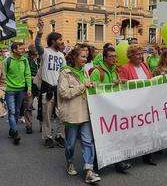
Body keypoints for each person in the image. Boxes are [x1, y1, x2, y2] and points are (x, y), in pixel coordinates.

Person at [57, 47, 101, 184]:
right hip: (71, 115)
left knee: (88, 141)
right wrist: (83, 86)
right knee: (70, 144)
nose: (85, 59)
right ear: (75, 57)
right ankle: (70, 162)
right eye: (82, 57)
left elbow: (87, 87)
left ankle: (89, 170)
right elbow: (63, 93)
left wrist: (92, 85)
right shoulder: (65, 72)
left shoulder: (85, 71)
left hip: (86, 113)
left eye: (86, 57)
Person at [90, 47, 132, 173]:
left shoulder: (115, 70)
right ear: (104, 58)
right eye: (111, 56)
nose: (114, 59)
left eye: (115, 56)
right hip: (100, 110)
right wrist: (107, 87)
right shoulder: (97, 72)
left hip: (113, 108)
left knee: (116, 136)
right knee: (101, 137)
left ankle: (119, 162)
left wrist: (120, 82)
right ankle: (96, 165)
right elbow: (92, 89)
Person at [118, 44, 156, 166]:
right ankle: (127, 155)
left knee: (147, 129)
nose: (140, 56)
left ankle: (147, 155)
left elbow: (150, 79)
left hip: (146, 102)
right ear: (131, 56)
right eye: (137, 54)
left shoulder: (145, 65)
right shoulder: (125, 68)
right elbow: (123, 86)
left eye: (141, 54)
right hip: (133, 104)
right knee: (132, 131)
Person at [35, 19, 66, 148]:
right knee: (46, 115)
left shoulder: (62, 55)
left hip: (59, 89)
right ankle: (47, 137)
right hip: (47, 88)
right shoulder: (45, 52)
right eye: (59, 40)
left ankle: (60, 136)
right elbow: (37, 44)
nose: (62, 42)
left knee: (62, 114)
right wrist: (40, 31)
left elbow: (64, 72)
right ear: (53, 41)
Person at [4, 42, 32, 145]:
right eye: (21, 49)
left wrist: (29, 88)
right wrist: (5, 87)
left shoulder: (25, 60)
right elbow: (4, 75)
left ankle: (12, 129)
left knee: (16, 111)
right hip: (10, 90)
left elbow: (28, 74)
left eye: (23, 49)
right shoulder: (7, 60)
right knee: (11, 111)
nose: (23, 50)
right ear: (14, 50)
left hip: (21, 90)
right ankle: (15, 133)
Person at [21, 45, 40, 134]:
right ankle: (29, 126)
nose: (37, 53)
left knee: (42, 107)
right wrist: (33, 78)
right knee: (28, 107)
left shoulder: (41, 59)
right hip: (29, 87)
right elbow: (24, 73)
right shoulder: (26, 60)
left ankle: (43, 126)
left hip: (41, 87)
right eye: (35, 50)